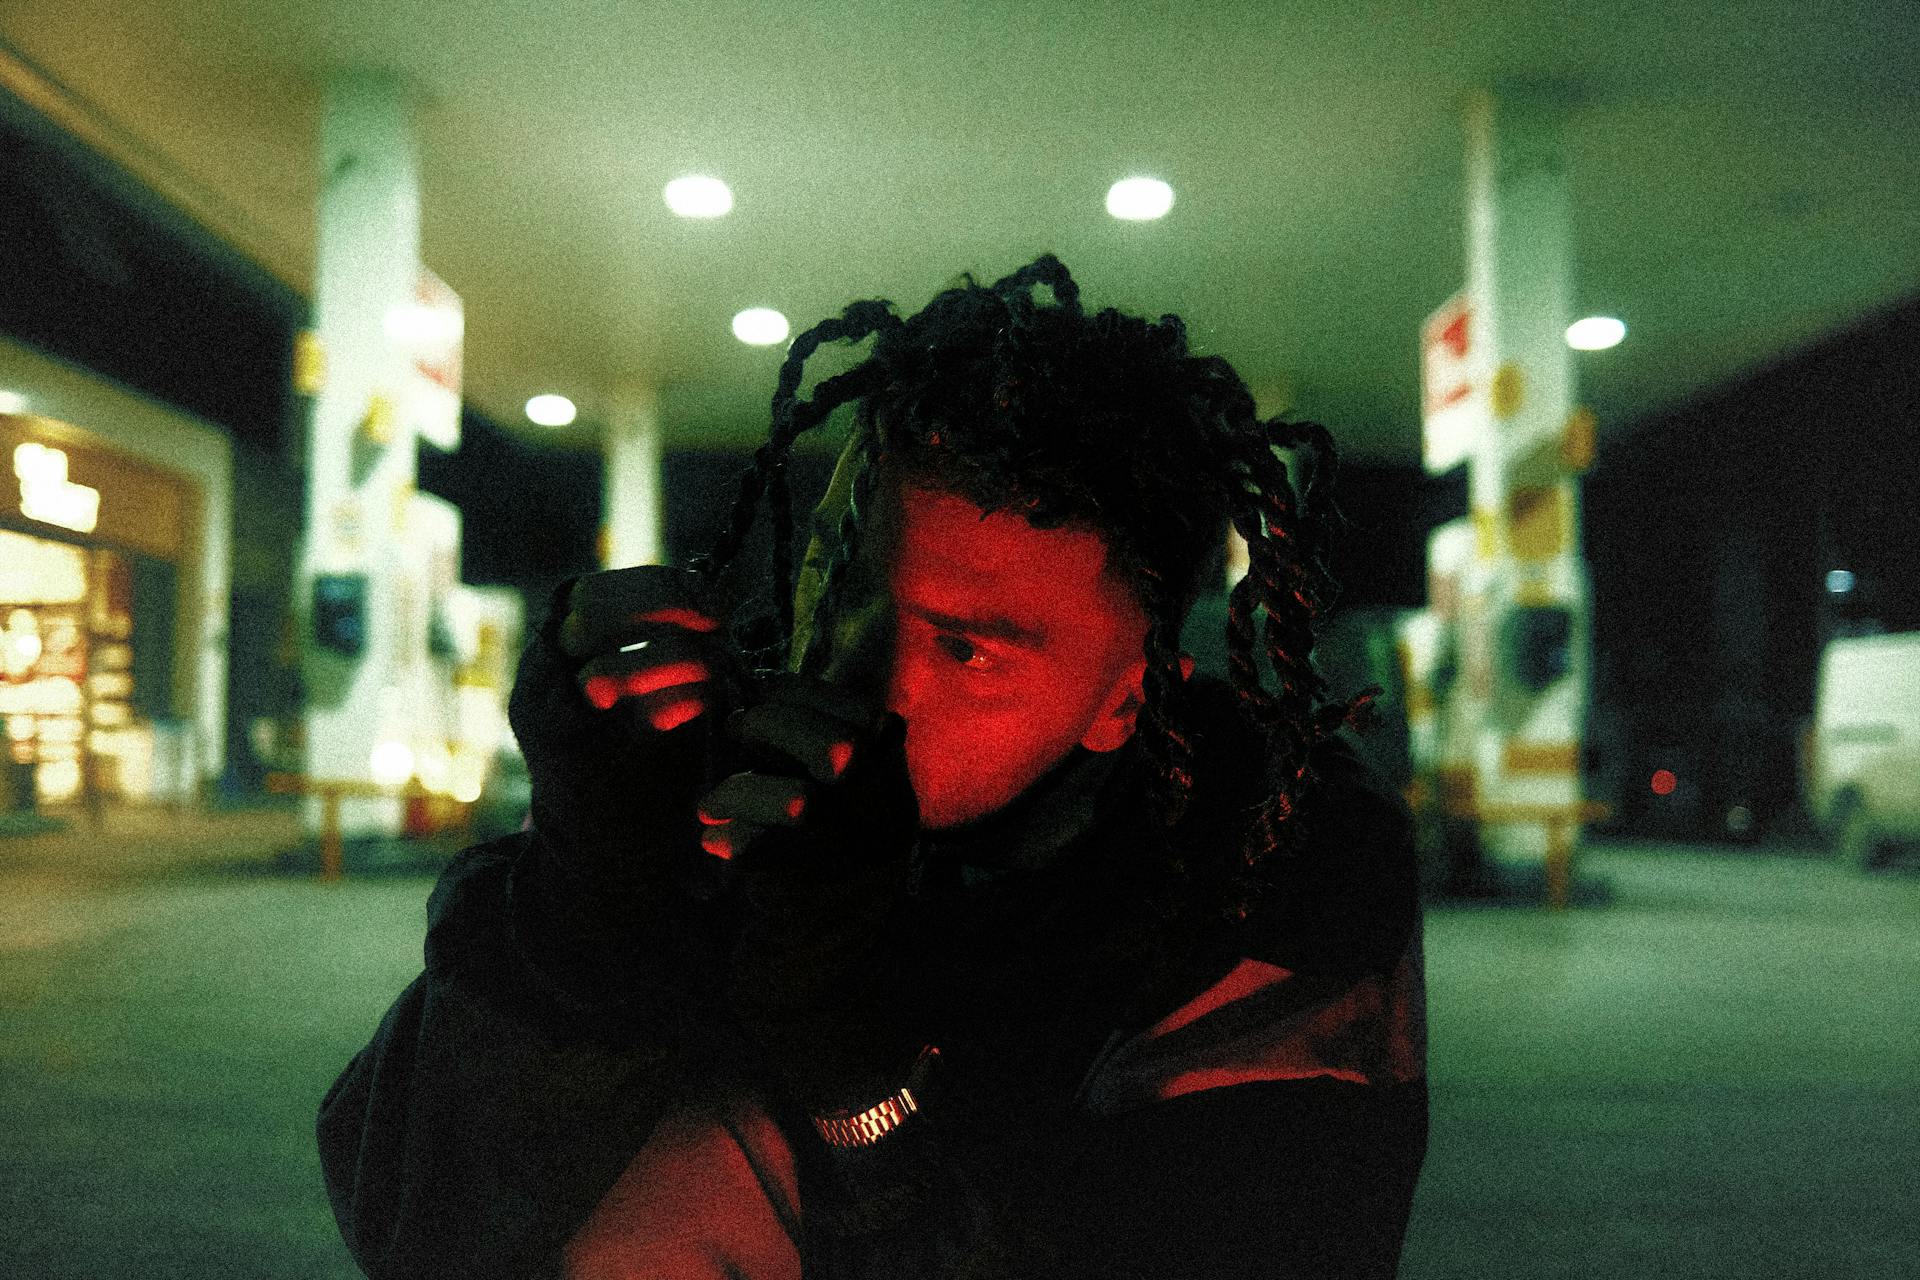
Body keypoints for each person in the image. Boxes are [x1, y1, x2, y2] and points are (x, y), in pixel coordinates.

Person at [318, 255, 1428, 1279]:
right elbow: (415, 1222)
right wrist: (583, 900)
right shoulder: (727, 752)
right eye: (849, 585)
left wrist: (856, 1064)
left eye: (970, 646)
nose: (875, 679)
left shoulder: (1277, 858)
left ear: (1127, 694)